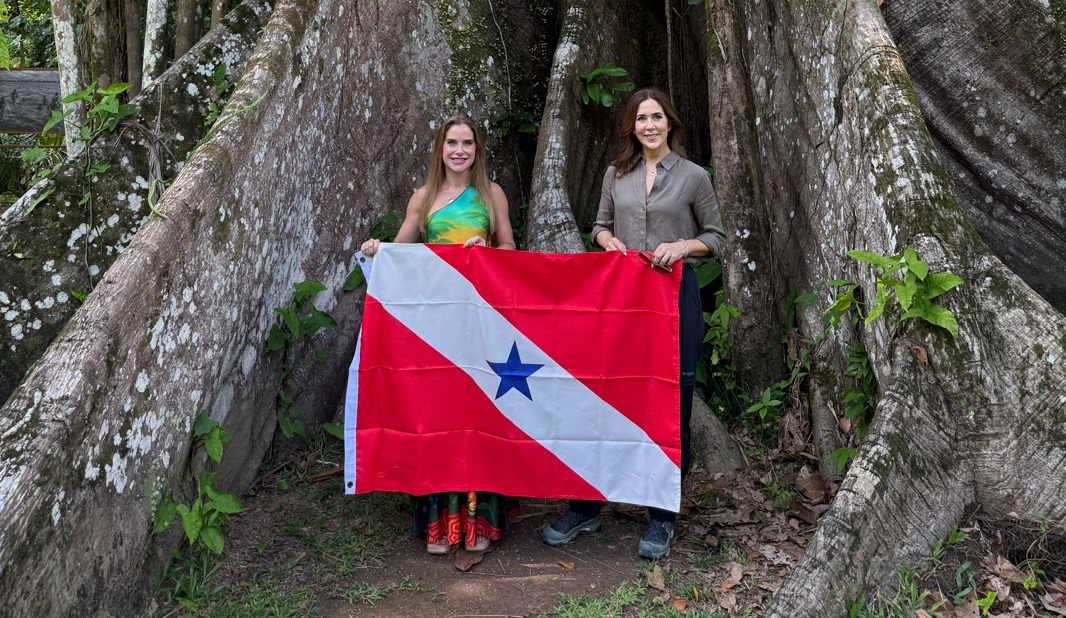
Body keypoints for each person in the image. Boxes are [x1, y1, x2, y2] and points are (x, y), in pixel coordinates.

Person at [539, 88, 725, 560]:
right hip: (621, 301)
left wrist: (682, 247)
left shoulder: (694, 176)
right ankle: (586, 507)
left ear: (670, 123)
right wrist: (607, 242)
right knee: (602, 395)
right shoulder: (614, 175)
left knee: (670, 402)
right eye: (641, 118)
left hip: (674, 299)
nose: (649, 125)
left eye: (657, 117)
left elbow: (716, 237)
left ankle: (662, 517)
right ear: (632, 127)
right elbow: (599, 224)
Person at [360, 114, 517, 555]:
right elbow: (399, 251)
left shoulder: (492, 195)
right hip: (434, 326)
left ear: (477, 150)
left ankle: (479, 523)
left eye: (468, 143)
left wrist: (488, 250)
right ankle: (441, 525)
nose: (459, 151)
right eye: (452, 143)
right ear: (440, 148)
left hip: (480, 320)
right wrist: (378, 249)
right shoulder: (423, 197)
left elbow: (509, 248)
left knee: (478, 415)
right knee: (439, 415)